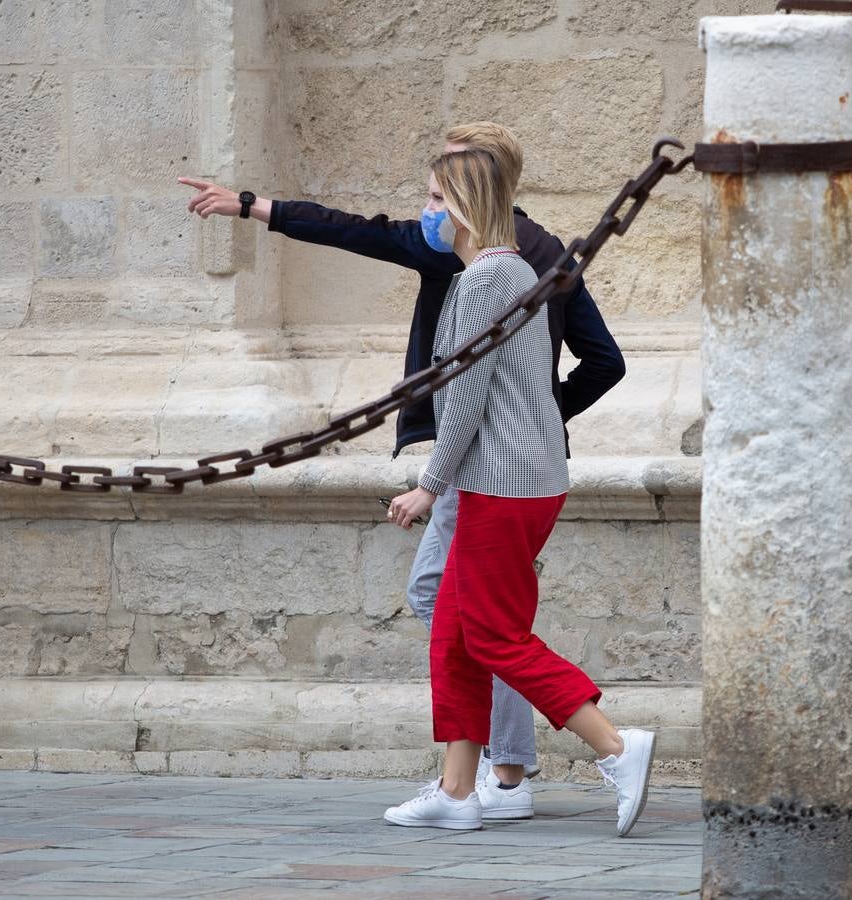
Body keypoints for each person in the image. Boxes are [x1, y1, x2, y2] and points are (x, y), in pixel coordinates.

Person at [178, 122, 628, 825]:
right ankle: (469, 784)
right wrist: (540, 421)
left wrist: (478, 454)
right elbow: (603, 362)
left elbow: (368, 242)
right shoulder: (533, 255)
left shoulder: (481, 265)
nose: (424, 207)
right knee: (457, 615)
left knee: (483, 626)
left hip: (486, 469)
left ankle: (539, 767)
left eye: (437, 187)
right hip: (512, 463)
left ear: (473, 186)